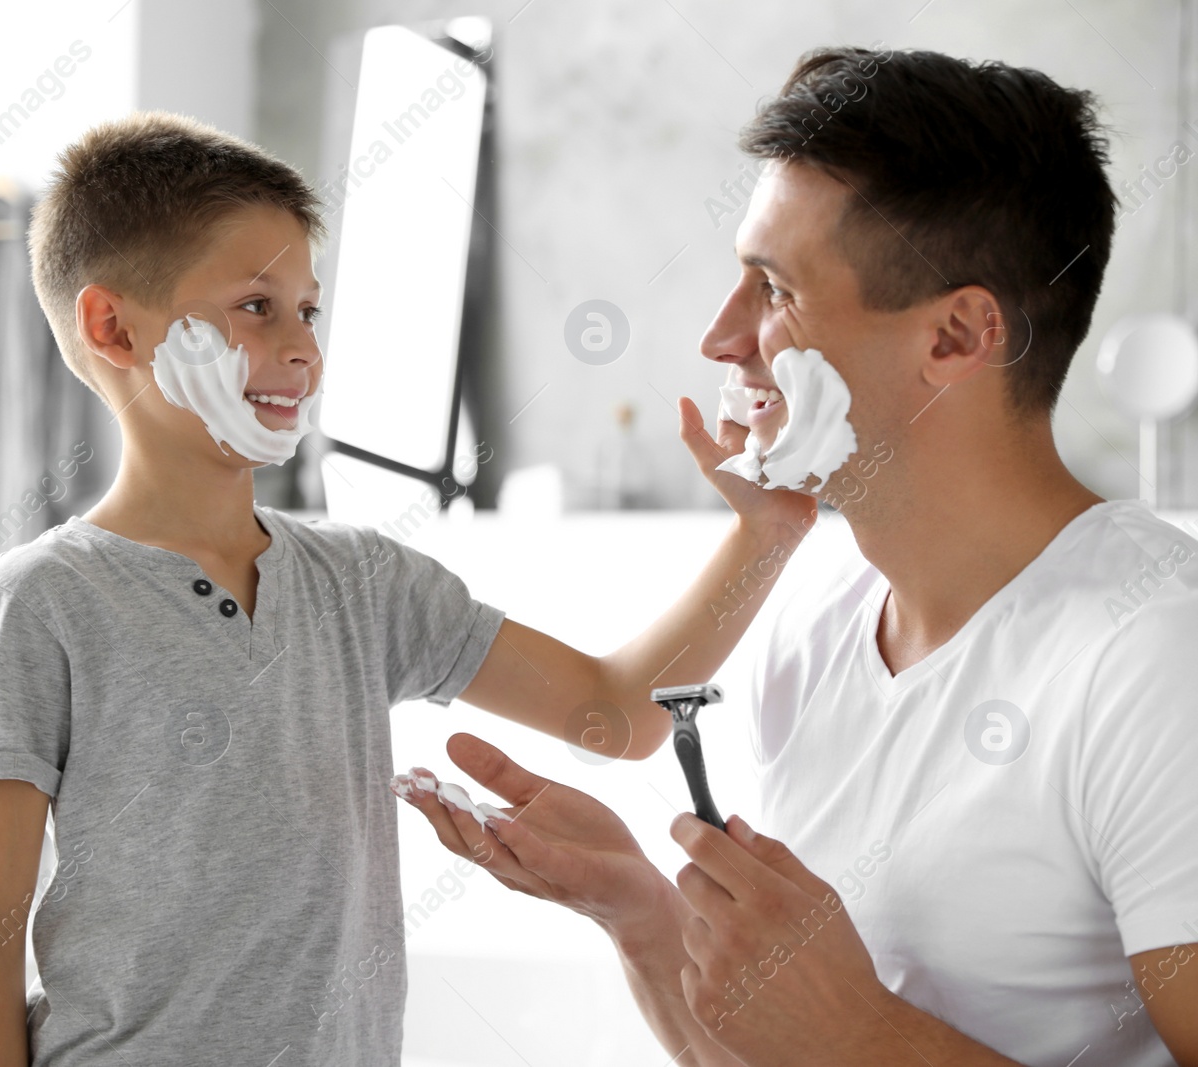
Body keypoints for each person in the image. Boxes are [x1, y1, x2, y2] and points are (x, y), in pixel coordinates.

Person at [0, 110, 817, 1065]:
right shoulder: (41, 603)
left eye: (308, 311)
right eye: (256, 306)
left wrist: (763, 535)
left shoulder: (364, 584)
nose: (303, 348)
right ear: (113, 326)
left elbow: (615, 714)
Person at [400, 45, 1198, 1066]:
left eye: (772, 290)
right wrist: (641, 916)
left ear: (956, 335)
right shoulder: (820, 619)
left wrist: (866, 1031)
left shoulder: (1154, 660)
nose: (719, 336)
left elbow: (845, 1040)